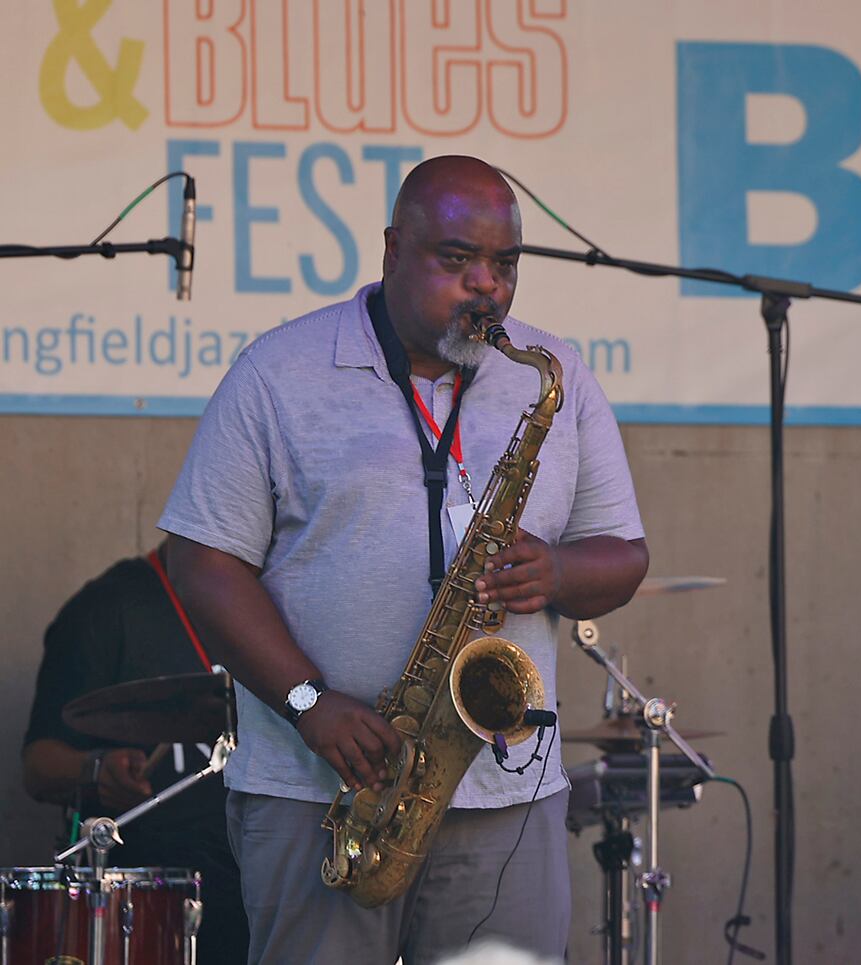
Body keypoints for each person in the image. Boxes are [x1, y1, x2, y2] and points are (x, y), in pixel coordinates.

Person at [158, 155, 649, 963]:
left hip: (505, 796)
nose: (486, 285)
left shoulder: (554, 377)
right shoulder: (279, 373)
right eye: (456, 260)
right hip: (321, 794)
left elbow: (625, 557)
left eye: (505, 264)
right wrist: (309, 700)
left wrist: (557, 574)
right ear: (393, 249)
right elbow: (202, 561)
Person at [21, 538, 248, 964]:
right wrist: (96, 769)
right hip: (151, 906)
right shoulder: (107, 608)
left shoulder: (270, 601)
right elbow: (38, 766)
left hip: (270, 881)